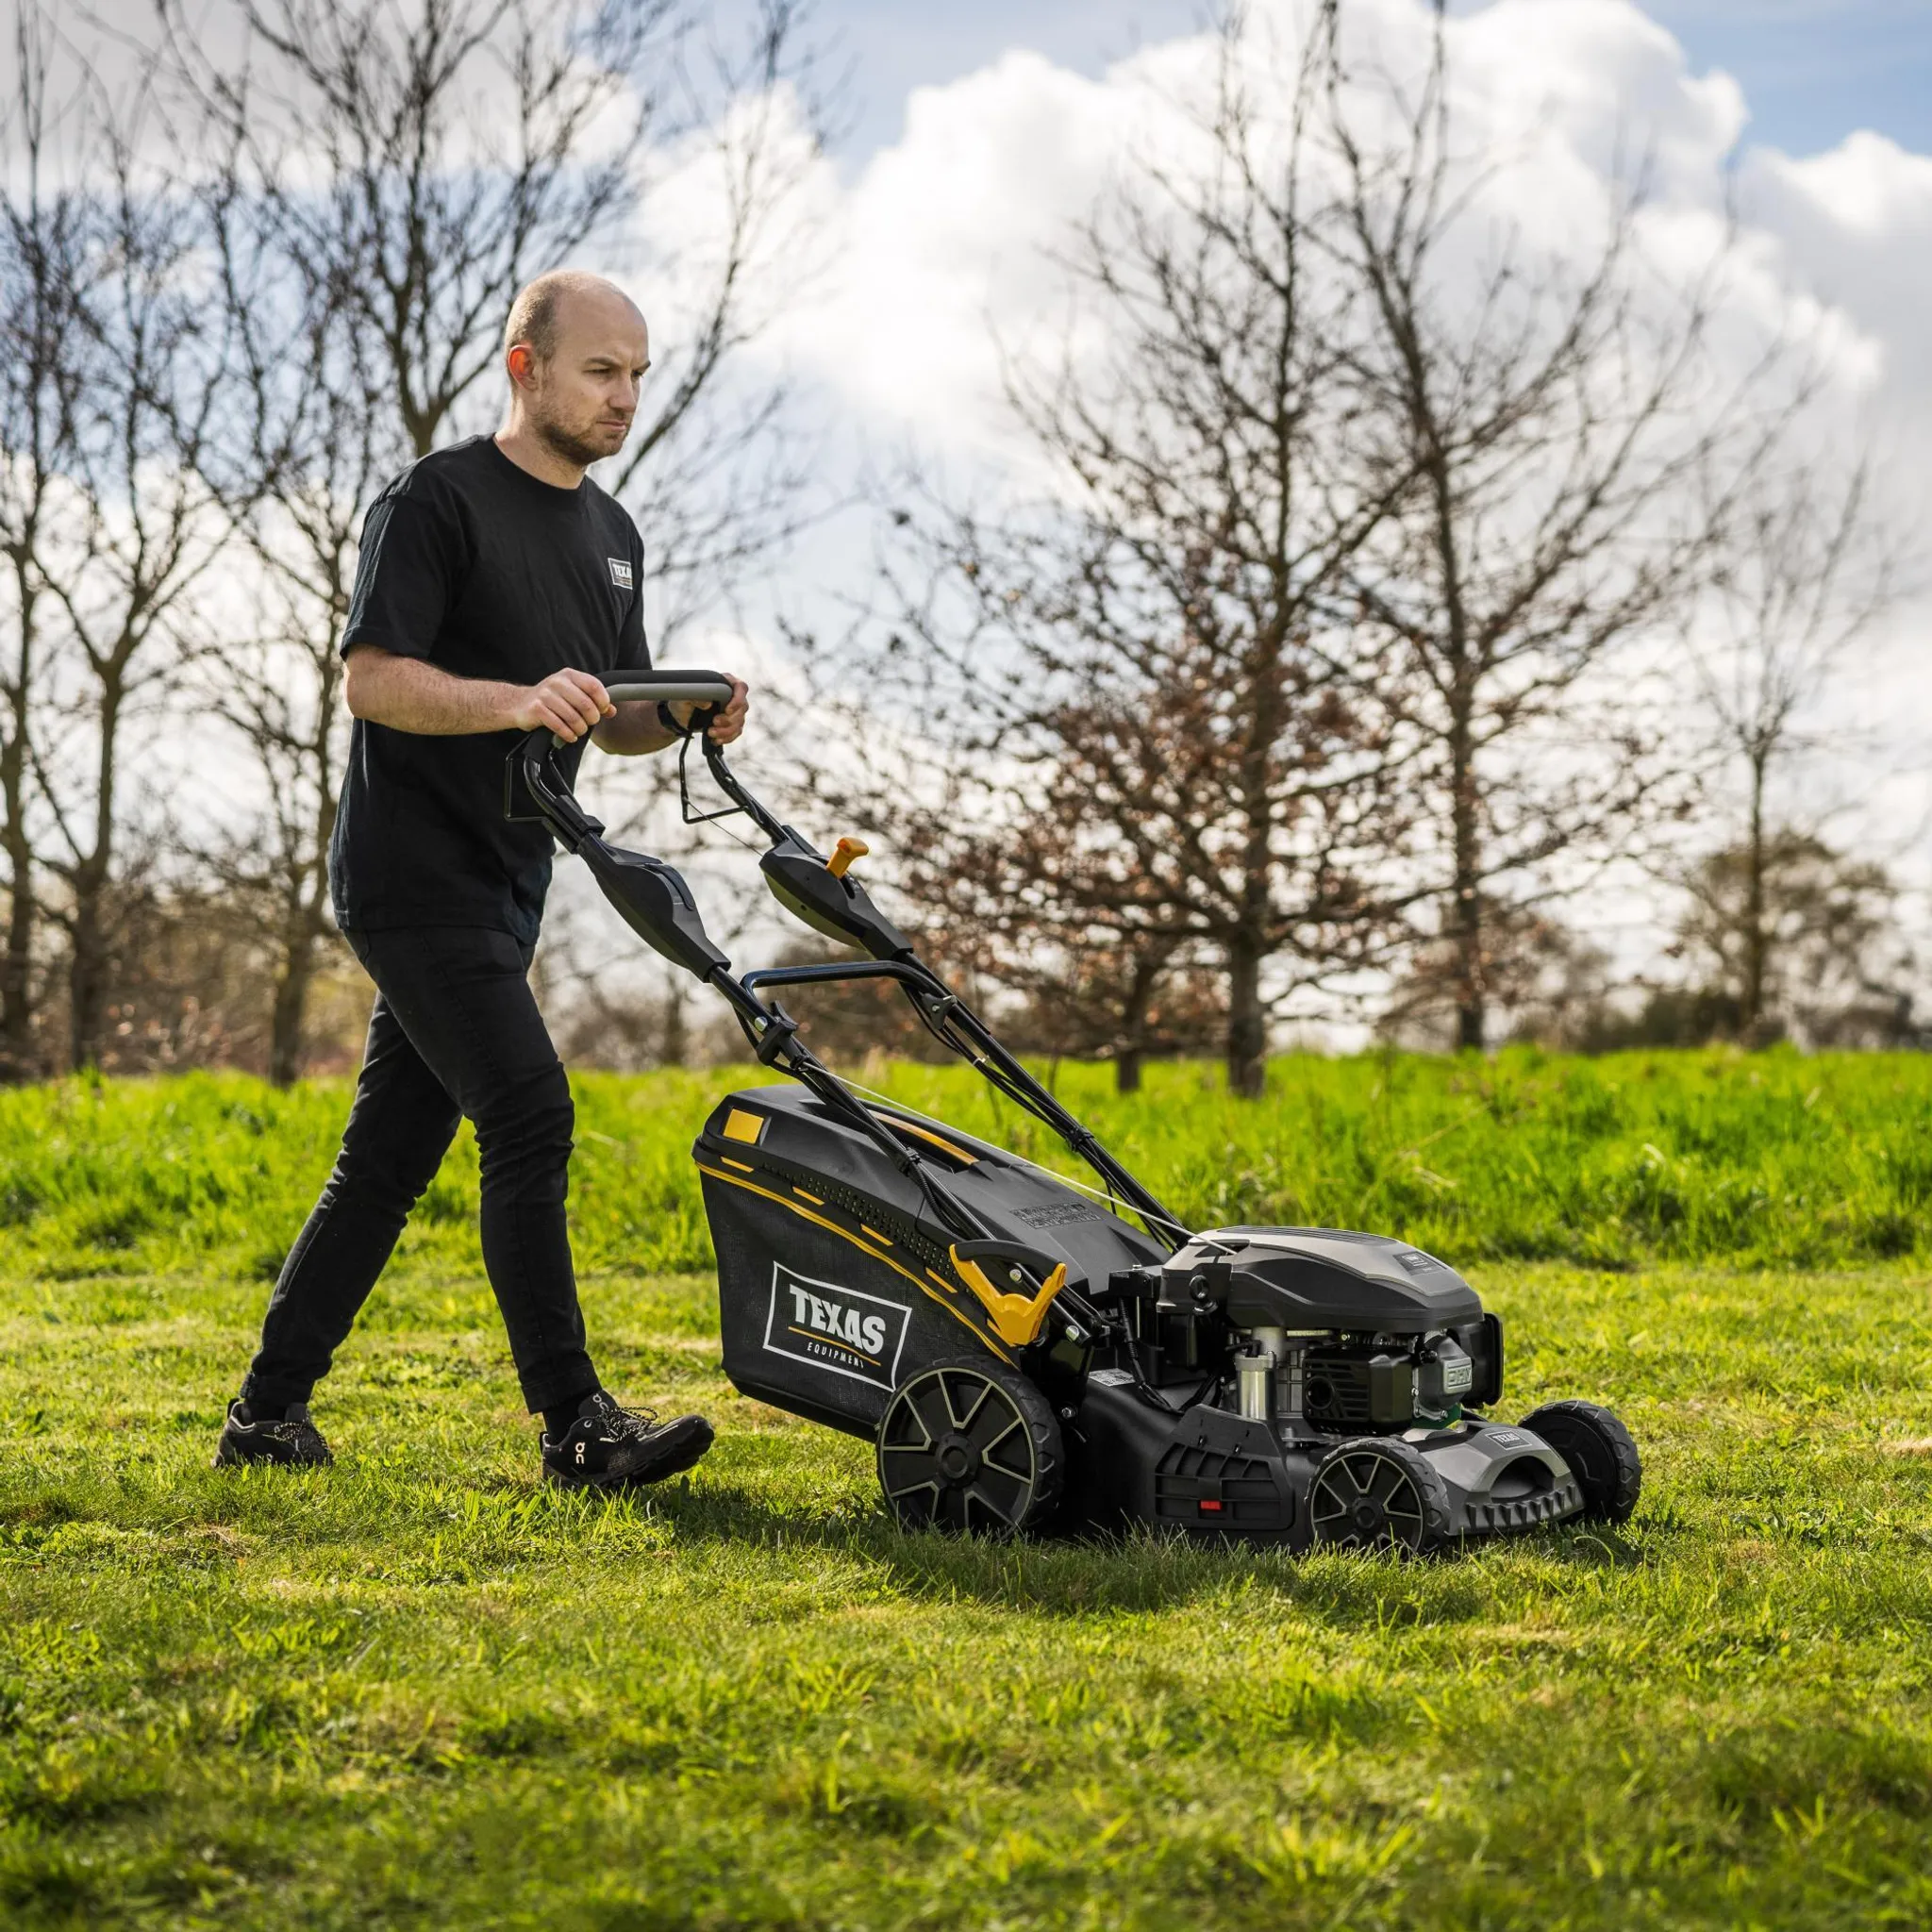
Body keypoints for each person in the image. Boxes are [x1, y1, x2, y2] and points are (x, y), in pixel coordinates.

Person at [213, 270, 748, 1490]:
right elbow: (373, 680)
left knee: (386, 1162)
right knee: (529, 1111)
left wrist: (686, 711)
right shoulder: (436, 500)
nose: (624, 397)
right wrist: (514, 700)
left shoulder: (613, 538)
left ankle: (265, 1418)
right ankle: (574, 1424)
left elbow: (611, 714)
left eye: (636, 375)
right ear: (527, 368)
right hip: (412, 874)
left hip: (513, 883)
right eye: (600, 371)